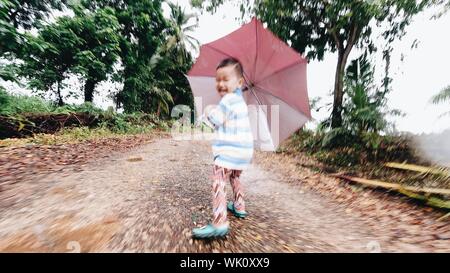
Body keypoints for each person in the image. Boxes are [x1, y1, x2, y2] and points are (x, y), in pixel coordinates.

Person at [192, 57, 254, 239]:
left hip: (229, 150)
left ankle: (220, 222)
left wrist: (207, 113)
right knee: (235, 177)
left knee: (218, 179)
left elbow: (216, 121)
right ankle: (239, 206)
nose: (220, 84)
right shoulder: (239, 101)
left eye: (226, 79)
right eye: (217, 80)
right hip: (243, 152)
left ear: (239, 82)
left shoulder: (228, 101)